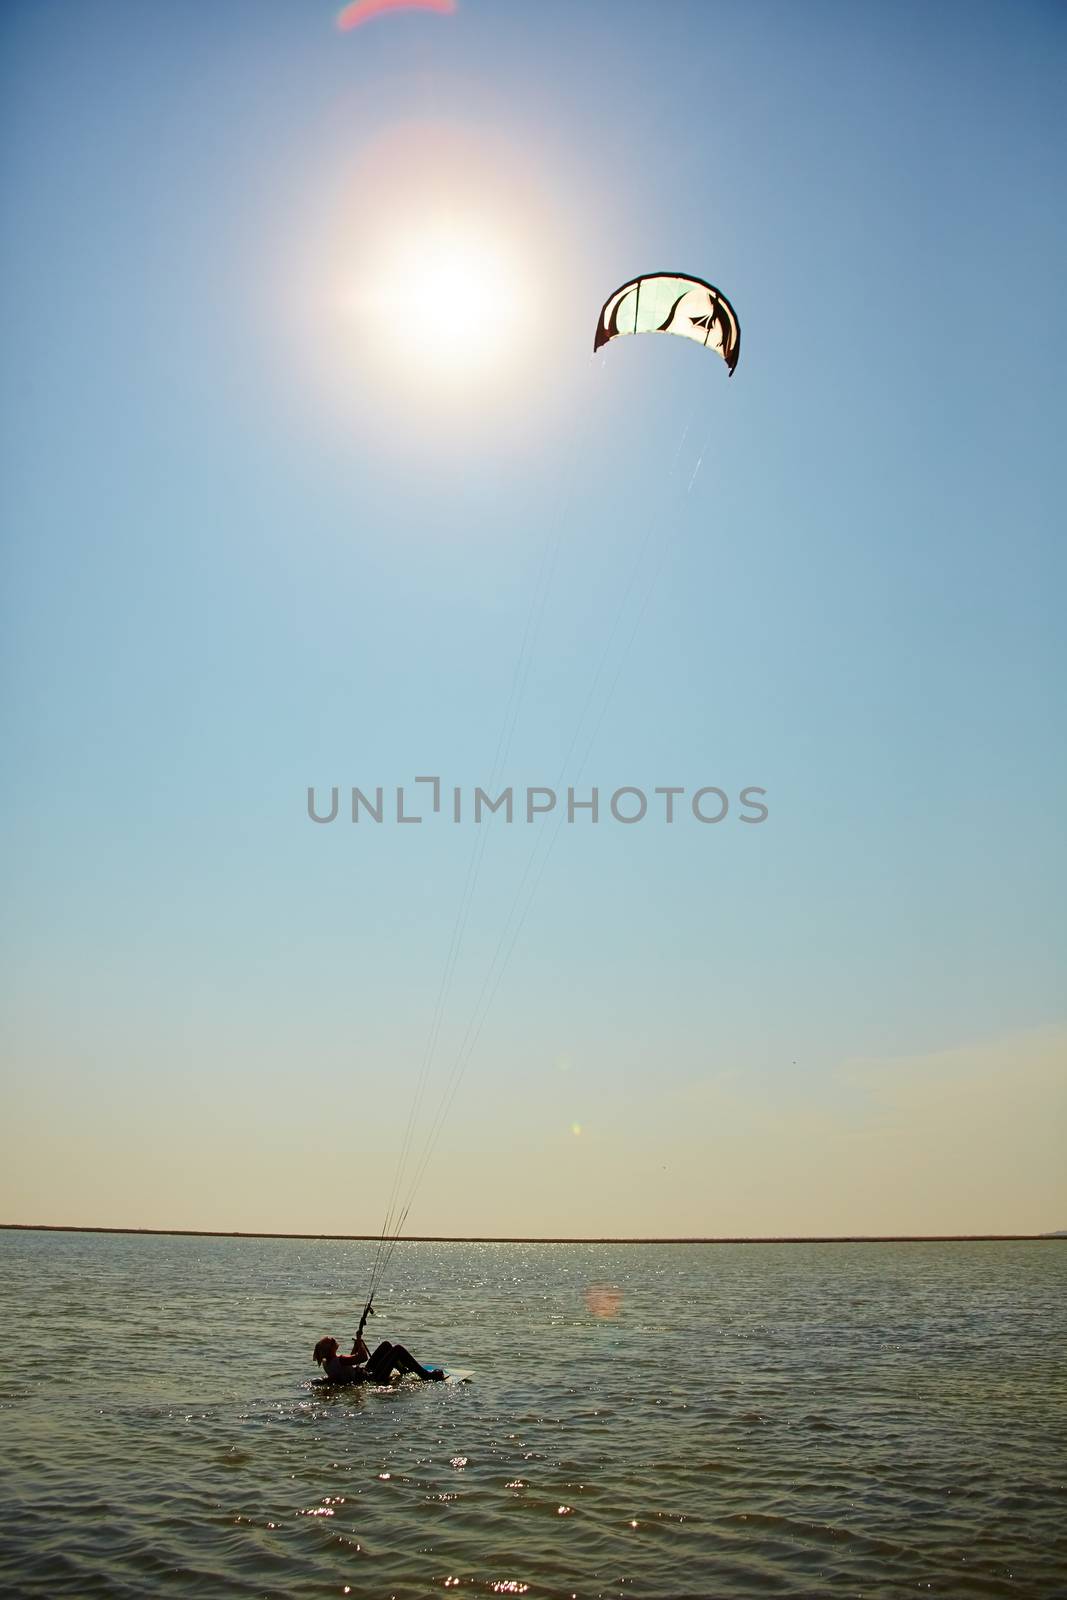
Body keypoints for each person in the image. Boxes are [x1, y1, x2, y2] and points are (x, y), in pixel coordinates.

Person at [312, 1333, 444, 1385]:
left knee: (386, 1345)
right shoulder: (340, 1359)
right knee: (397, 1349)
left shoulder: (327, 1363)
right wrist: (360, 1343)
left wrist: (357, 1345)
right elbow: (362, 1358)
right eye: (333, 1341)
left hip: (363, 1373)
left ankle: (404, 1370)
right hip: (373, 1377)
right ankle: (427, 1376)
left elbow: (352, 1362)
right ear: (330, 1349)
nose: (335, 1340)